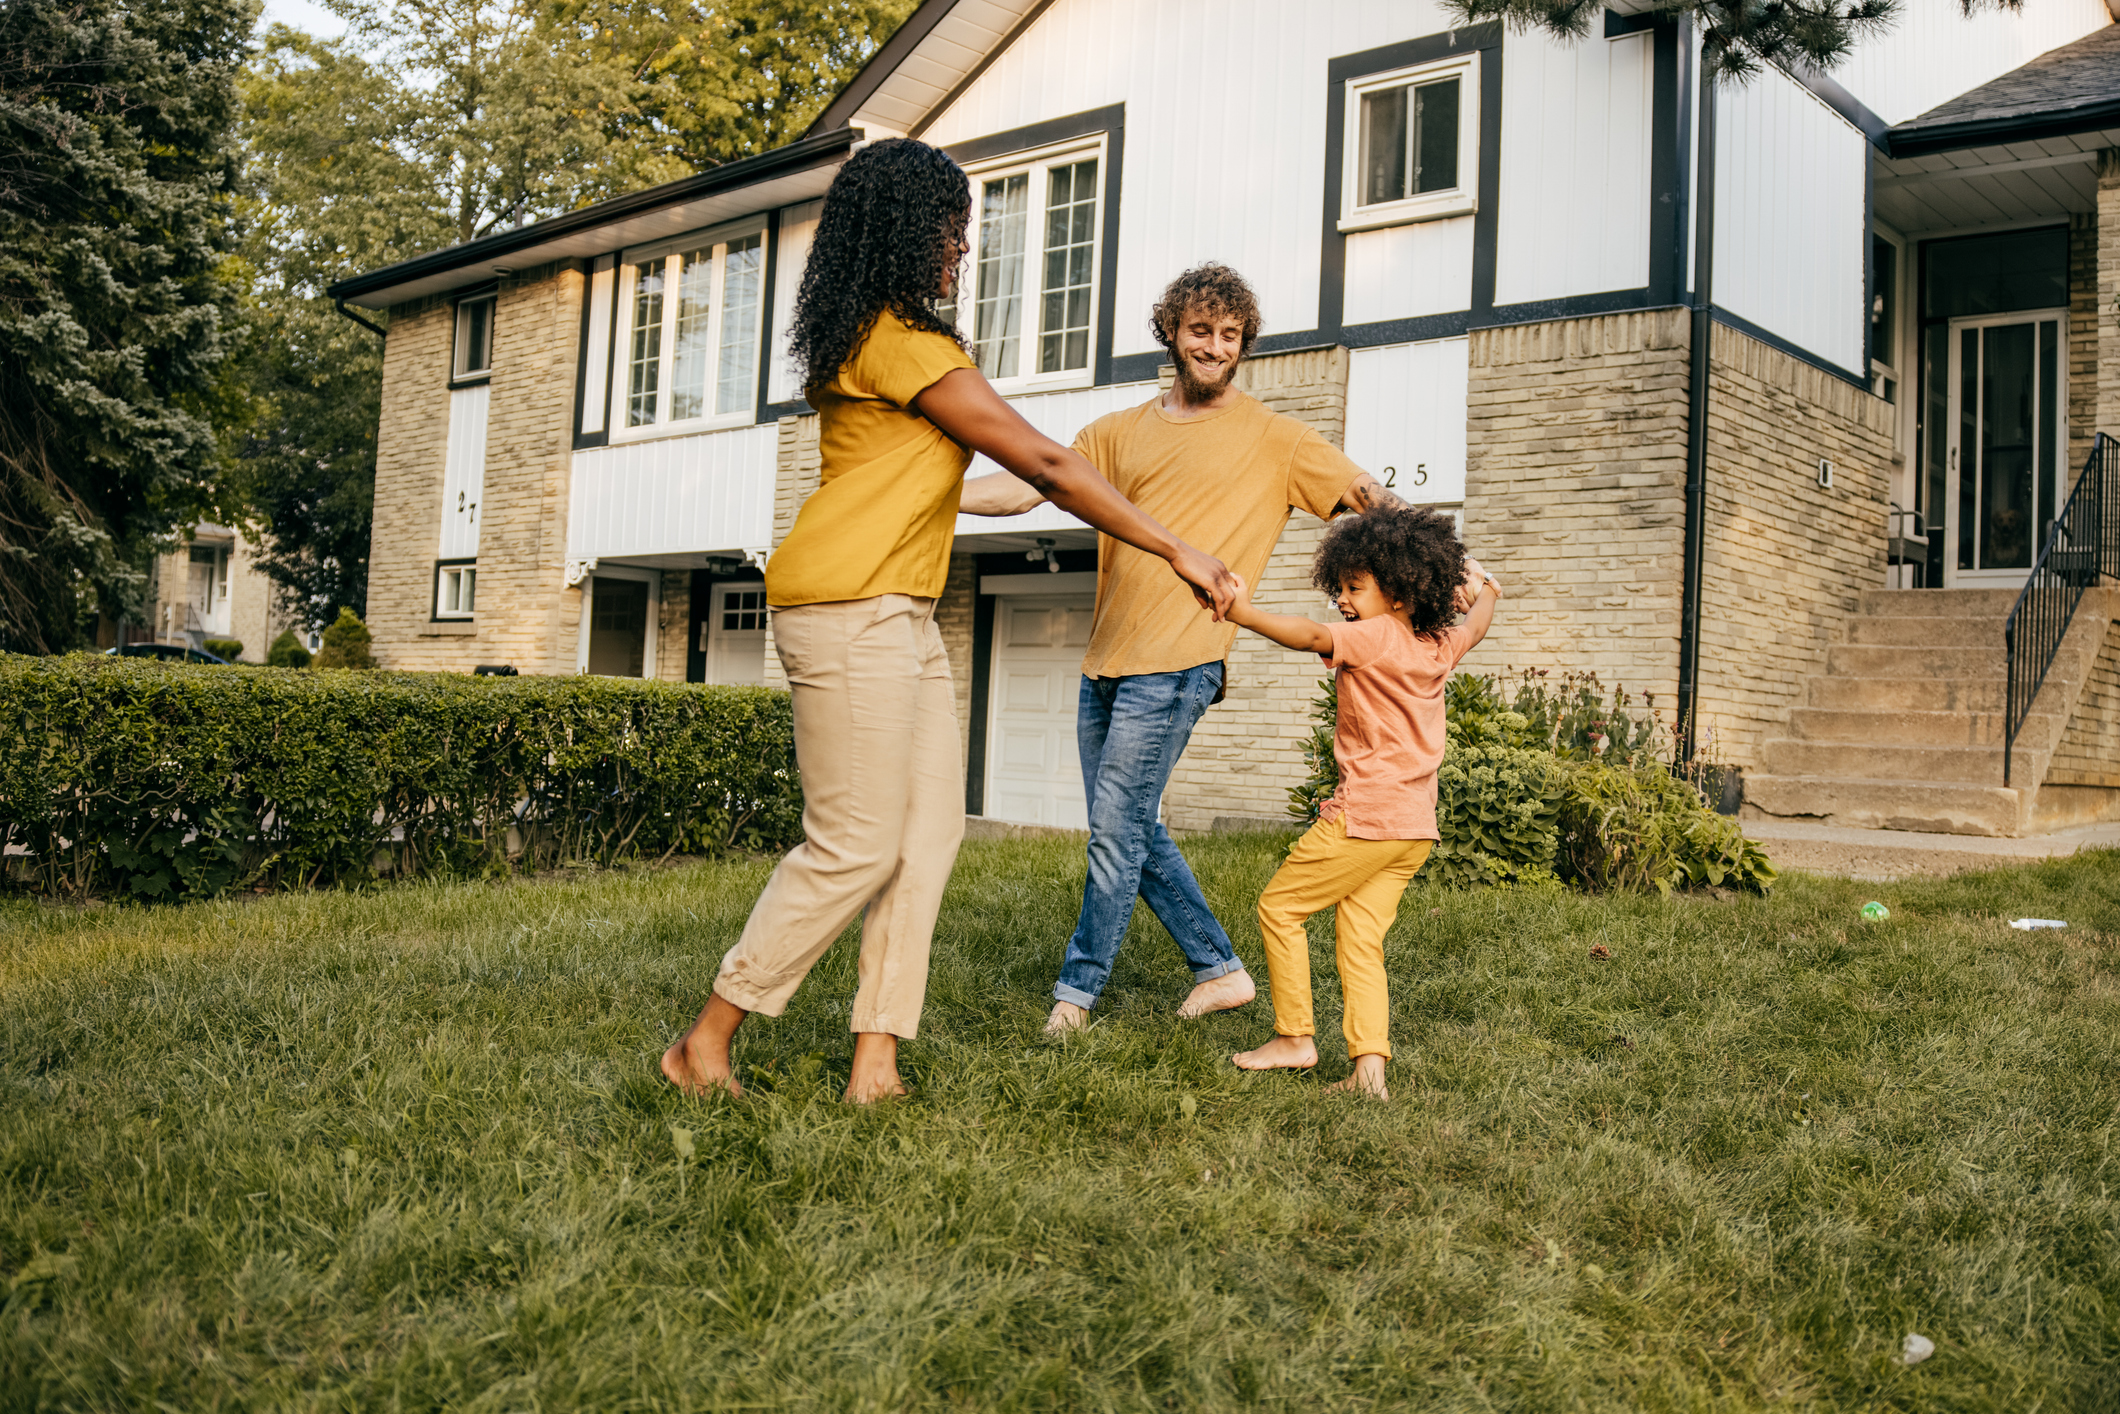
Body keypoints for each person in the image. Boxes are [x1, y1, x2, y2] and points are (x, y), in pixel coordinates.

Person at [660, 139, 1238, 1103]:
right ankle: (706, 1037)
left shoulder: (863, 340)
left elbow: (930, 477)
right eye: (952, 231)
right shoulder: (903, 344)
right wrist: (1176, 546)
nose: (960, 252)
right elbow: (1045, 463)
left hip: (900, 610)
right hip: (849, 607)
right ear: (906, 230)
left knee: (927, 837)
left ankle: (875, 1060)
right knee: (854, 844)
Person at [971, 263, 1418, 1036]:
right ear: (1172, 333)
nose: (1215, 347)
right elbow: (1025, 488)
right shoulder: (1114, 435)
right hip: (1104, 662)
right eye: (1201, 331)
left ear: (1243, 345)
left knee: (1114, 831)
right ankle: (1221, 971)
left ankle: (1074, 998)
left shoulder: (1276, 438)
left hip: (1181, 662)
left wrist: (1441, 551)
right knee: (1131, 826)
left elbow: (1366, 494)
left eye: (1230, 336)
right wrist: (931, 493)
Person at [1224, 504, 1500, 1099]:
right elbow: (1476, 625)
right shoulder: (1435, 646)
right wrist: (1486, 588)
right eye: (1340, 587)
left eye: (1356, 587)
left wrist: (1242, 611)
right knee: (1360, 941)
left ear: (1400, 590)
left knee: (1280, 907)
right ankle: (1368, 1073)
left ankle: (1295, 1037)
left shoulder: (1374, 635)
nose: (1344, 599)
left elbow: (1313, 637)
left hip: (1367, 818)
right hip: (1413, 829)